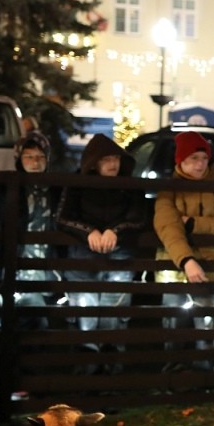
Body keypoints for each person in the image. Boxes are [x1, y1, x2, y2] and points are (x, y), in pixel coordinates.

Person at [56, 133, 147, 372]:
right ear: (94, 162)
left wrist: (115, 231)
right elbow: (63, 217)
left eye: (115, 158)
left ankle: (110, 383)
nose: (112, 164)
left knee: (113, 324)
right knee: (84, 324)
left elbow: (139, 218)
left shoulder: (129, 184)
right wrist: (88, 232)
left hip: (119, 261)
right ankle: (85, 382)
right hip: (82, 263)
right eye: (106, 159)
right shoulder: (78, 183)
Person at [153, 131, 214, 371]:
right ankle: (174, 375)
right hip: (175, 270)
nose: (200, 164)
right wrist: (187, 260)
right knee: (174, 326)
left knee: (210, 328)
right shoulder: (169, 189)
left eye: (203, 157)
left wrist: (192, 223)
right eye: (193, 158)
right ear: (180, 161)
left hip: (213, 268)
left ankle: (208, 374)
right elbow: (168, 227)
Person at [8, 130, 61, 323]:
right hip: (20, 265)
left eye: (40, 157)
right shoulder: (12, 187)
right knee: (32, 318)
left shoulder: (56, 188)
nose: (35, 162)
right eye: (28, 157)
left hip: (49, 266)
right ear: (19, 159)